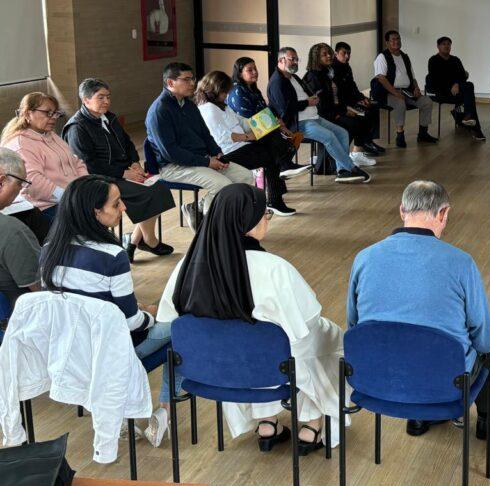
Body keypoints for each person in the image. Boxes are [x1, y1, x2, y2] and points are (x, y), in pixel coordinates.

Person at [158, 184, 344, 453]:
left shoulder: (186, 266)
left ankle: (267, 422)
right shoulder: (274, 268)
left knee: (252, 342)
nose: (268, 218)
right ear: (248, 222)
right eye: (265, 213)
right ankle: (311, 423)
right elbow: (308, 320)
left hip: (213, 367)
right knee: (319, 338)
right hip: (268, 366)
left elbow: (169, 317)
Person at [347, 180, 490, 438]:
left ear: (402, 211)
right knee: (483, 346)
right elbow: (485, 340)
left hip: (377, 375)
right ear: (443, 213)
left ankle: (419, 419)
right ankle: (487, 419)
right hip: (444, 381)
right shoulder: (461, 263)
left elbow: (354, 325)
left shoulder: (363, 258)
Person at [39, 176, 181, 447]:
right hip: (111, 353)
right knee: (182, 326)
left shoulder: (49, 250)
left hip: (70, 351)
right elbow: (131, 323)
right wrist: (150, 314)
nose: (124, 208)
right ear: (95, 212)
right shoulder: (112, 256)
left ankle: (119, 412)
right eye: (116, 204)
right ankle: (165, 410)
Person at [63, 78, 176, 259]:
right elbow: (89, 164)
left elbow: (127, 143)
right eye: (101, 97)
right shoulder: (77, 127)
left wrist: (135, 163)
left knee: (159, 187)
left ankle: (135, 241)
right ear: (86, 100)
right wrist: (124, 173)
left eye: (108, 97)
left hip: (121, 172)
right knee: (147, 193)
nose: (106, 101)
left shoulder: (110, 117)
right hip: (99, 179)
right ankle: (149, 240)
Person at [145, 62, 254, 231]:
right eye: (186, 79)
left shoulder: (188, 104)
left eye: (193, 79)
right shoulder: (159, 111)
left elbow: (205, 134)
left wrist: (216, 153)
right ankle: (209, 232)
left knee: (245, 177)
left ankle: (201, 210)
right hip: (173, 166)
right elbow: (171, 153)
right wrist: (207, 162)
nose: (192, 83)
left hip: (199, 159)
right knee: (222, 185)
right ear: (170, 83)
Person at [196, 71, 299, 216]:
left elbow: (243, 122)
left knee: (272, 139)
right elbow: (224, 137)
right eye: (225, 92)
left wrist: (268, 122)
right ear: (215, 90)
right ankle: (282, 173)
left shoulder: (222, 106)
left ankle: (283, 168)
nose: (227, 95)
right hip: (226, 153)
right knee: (272, 155)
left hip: (241, 148)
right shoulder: (208, 109)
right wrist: (249, 136)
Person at [268, 47, 370, 184]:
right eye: (292, 59)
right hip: (299, 123)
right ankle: (351, 168)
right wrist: (307, 102)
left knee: (342, 133)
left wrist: (313, 98)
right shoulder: (277, 82)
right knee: (329, 137)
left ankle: (342, 171)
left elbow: (307, 94)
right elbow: (285, 109)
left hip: (314, 117)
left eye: (297, 59)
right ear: (281, 60)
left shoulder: (293, 77)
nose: (296, 62)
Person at [1, 92, 82, 225]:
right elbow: (33, 182)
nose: (54, 117)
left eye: (55, 113)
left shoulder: (50, 135)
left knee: (103, 203)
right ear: (28, 114)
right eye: (48, 113)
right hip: (46, 206)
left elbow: (76, 162)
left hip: (71, 195)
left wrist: (85, 185)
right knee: (90, 218)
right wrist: (70, 197)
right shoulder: (20, 143)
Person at [225, 56, 310, 179]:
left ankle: (284, 170)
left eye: (255, 68)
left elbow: (265, 111)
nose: (255, 72)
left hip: (261, 128)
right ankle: (285, 166)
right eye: (250, 70)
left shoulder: (253, 89)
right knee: (274, 139)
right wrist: (275, 124)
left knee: (283, 137)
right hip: (245, 132)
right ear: (239, 73)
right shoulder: (237, 91)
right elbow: (250, 119)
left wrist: (279, 124)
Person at [303, 43, 378, 167]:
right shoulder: (314, 76)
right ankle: (339, 159)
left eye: (329, 53)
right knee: (352, 124)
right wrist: (341, 112)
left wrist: (357, 100)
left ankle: (353, 155)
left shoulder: (326, 72)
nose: (329, 56)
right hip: (323, 115)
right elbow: (321, 104)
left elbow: (338, 95)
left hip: (335, 109)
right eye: (324, 54)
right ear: (316, 57)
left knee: (363, 117)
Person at [369, 31, 437, 148]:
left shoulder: (404, 57)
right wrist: (395, 93)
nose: (397, 41)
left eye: (398, 39)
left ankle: (423, 133)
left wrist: (416, 88)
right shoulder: (382, 57)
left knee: (426, 101)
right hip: (387, 92)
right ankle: (400, 135)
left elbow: (412, 77)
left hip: (407, 91)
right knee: (400, 103)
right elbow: (381, 78)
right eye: (393, 39)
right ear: (387, 42)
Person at [0, 149, 40, 310]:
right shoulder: (12, 231)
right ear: (2, 182)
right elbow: (40, 288)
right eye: (20, 183)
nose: (21, 190)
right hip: (18, 315)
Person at [426, 36, 485, 140]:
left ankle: (467, 118)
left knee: (469, 86)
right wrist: (452, 85)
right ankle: (473, 127)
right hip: (440, 92)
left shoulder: (455, 60)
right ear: (438, 46)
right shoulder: (433, 60)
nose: (446, 46)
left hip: (456, 90)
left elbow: (463, 76)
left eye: (448, 44)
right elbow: (436, 80)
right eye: (444, 44)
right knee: (469, 96)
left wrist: (456, 84)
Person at [332, 42, 385, 155]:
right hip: (343, 104)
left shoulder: (347, 67)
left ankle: (368, 140)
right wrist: (353, 103)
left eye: (349, 53)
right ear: (336, 54)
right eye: (344, 53)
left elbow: (352, 85)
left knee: (373, 107)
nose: (347, 56)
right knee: (365, 115)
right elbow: (336, 94)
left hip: (352, 100)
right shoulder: (332, 70)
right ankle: (361, 145)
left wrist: (362, 98)